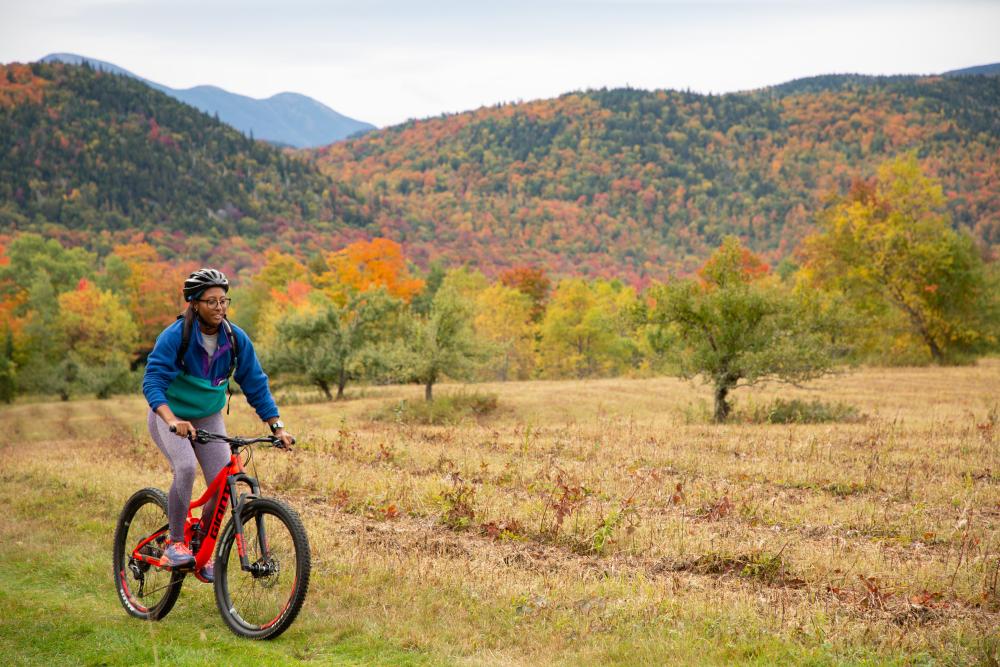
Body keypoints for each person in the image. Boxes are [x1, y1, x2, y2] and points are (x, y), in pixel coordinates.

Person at [142, 268, 294, 581]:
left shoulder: (235, 339)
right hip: (171, 415)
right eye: (211, 301)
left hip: (208, 416)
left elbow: (255, 383)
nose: (219, 307)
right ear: (194, 304)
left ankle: (200, 549)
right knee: (184, 468)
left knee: (223, 484)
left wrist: (276, 425)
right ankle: (175, 542)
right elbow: (153, 380)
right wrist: (171, 420)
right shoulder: (176, 337)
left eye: (223, 300)